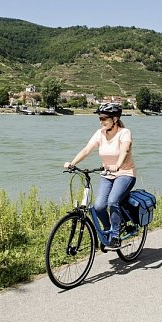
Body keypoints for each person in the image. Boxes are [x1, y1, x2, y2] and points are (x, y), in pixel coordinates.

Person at [64, 102, 136, 251]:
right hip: (107, 174)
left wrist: (118, 164)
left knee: (112, 201)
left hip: (125, 173)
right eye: (100, 118)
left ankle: (115, 236)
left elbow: (124, 150)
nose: (101, 121)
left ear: (115, 119)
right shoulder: (100, 133)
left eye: (104, 118)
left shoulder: (125, 133)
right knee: (98, 207)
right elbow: (86, 150)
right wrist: (72, 162)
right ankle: (109, 227)